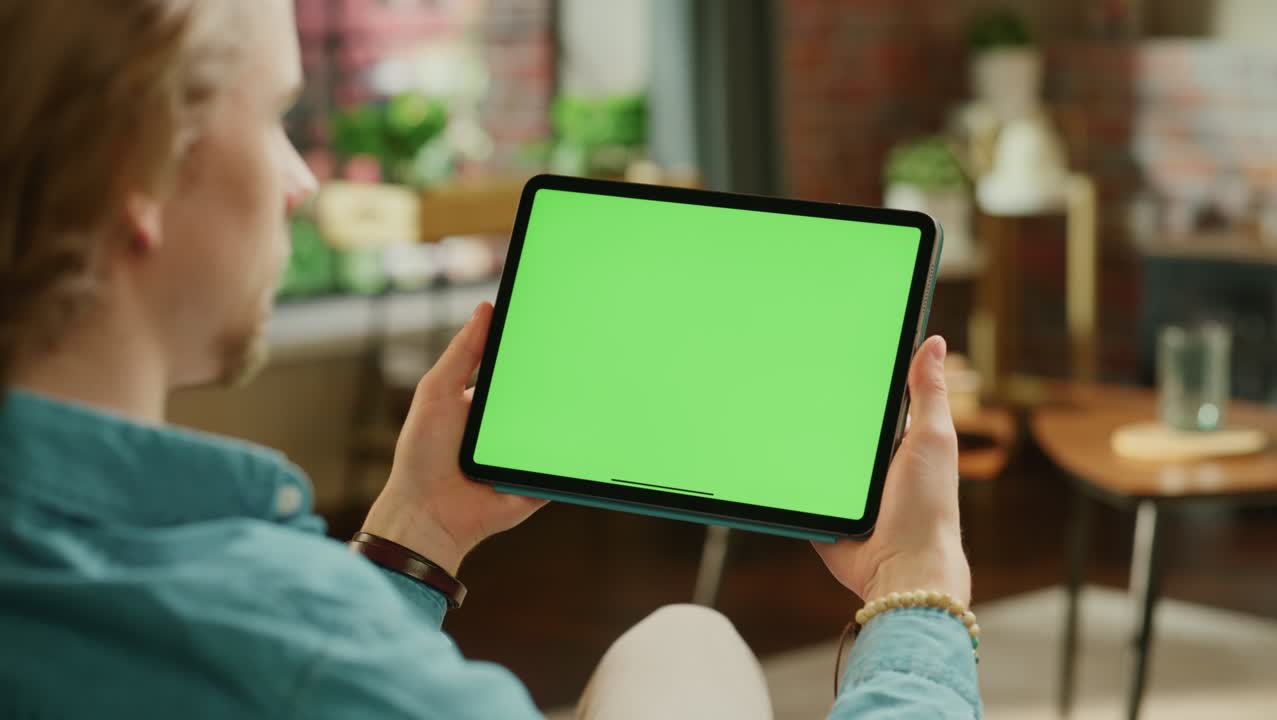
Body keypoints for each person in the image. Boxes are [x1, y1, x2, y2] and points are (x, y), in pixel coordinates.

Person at [0, 1, 982, 718]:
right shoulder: (282, 650)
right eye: (275, 119)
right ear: (136, 172)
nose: (300, 179)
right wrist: (918, 589)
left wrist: (414, 527)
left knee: (686, 639)